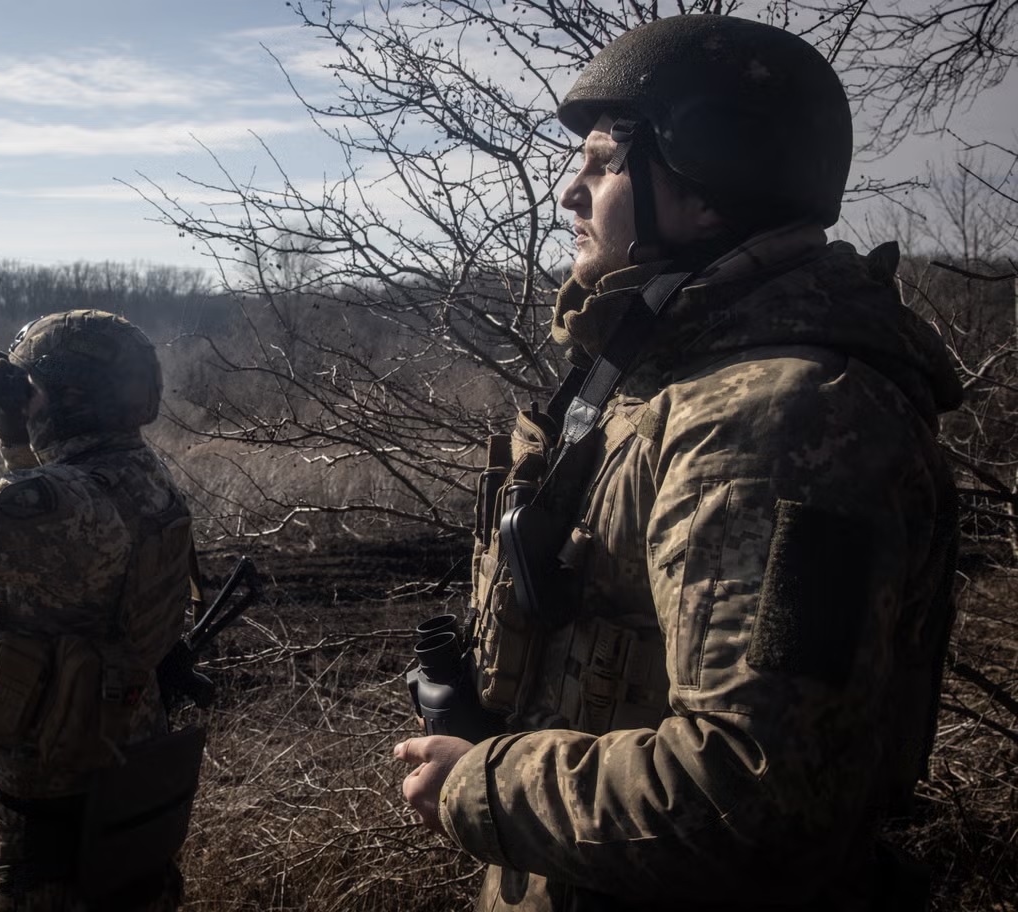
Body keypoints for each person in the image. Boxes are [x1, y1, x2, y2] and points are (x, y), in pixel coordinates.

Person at [394, 15, 962, 911]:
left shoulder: (779, 421)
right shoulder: (660, 378)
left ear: (707, 189)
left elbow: (750, 793)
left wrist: (482, 783)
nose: (568, 196)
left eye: (603, 164)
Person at [0, 310, 200, 911]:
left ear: (68, 397)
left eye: (34, 390)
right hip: (124, 761)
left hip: (56, 796)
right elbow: (48, 528)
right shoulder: (136, 475)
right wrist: (14, 438)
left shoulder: (72, 502)